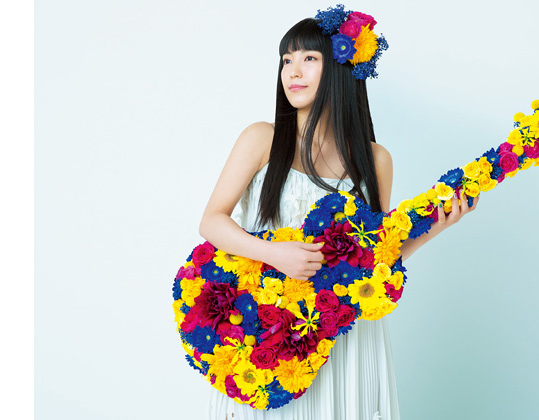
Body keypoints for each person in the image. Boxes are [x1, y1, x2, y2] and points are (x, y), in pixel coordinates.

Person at [198, 8, 479, 420]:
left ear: (340, 68)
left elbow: (375, 258)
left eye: (309, 58)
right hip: (273, 331)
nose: (293, 71)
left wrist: (436, 226)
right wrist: (274, 254)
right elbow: (211, 221)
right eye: (287, 60)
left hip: (343, 335)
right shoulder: (261, 139)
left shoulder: (374, 159)